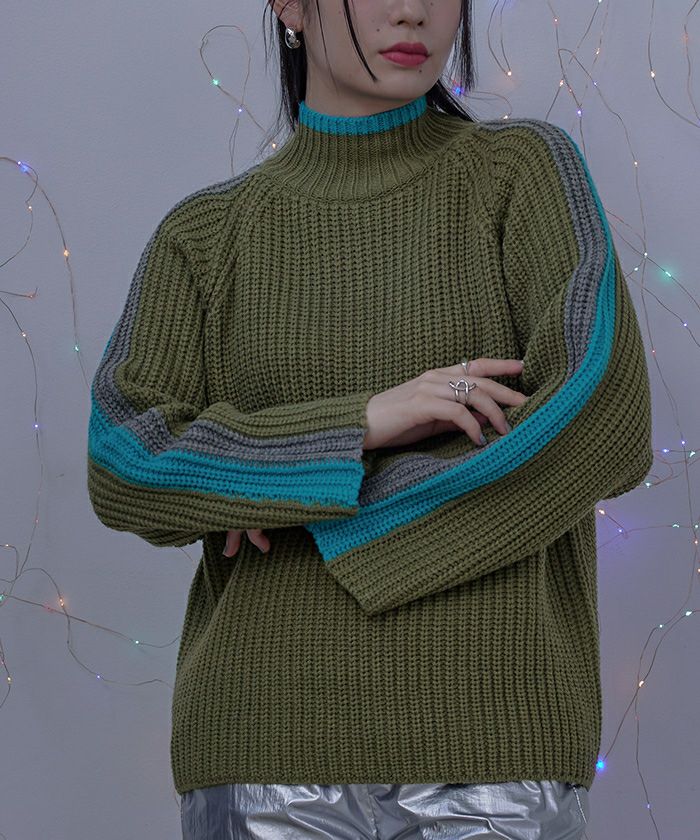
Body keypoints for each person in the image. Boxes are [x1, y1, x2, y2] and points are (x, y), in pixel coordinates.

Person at [86, 0, 654, 837]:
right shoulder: (203, 235)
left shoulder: (523, 171)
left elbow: (603, 416)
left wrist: (300, 498)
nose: (413, 10)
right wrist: (359, 425)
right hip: (258, 750)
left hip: (494, 754)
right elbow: (122, 462)